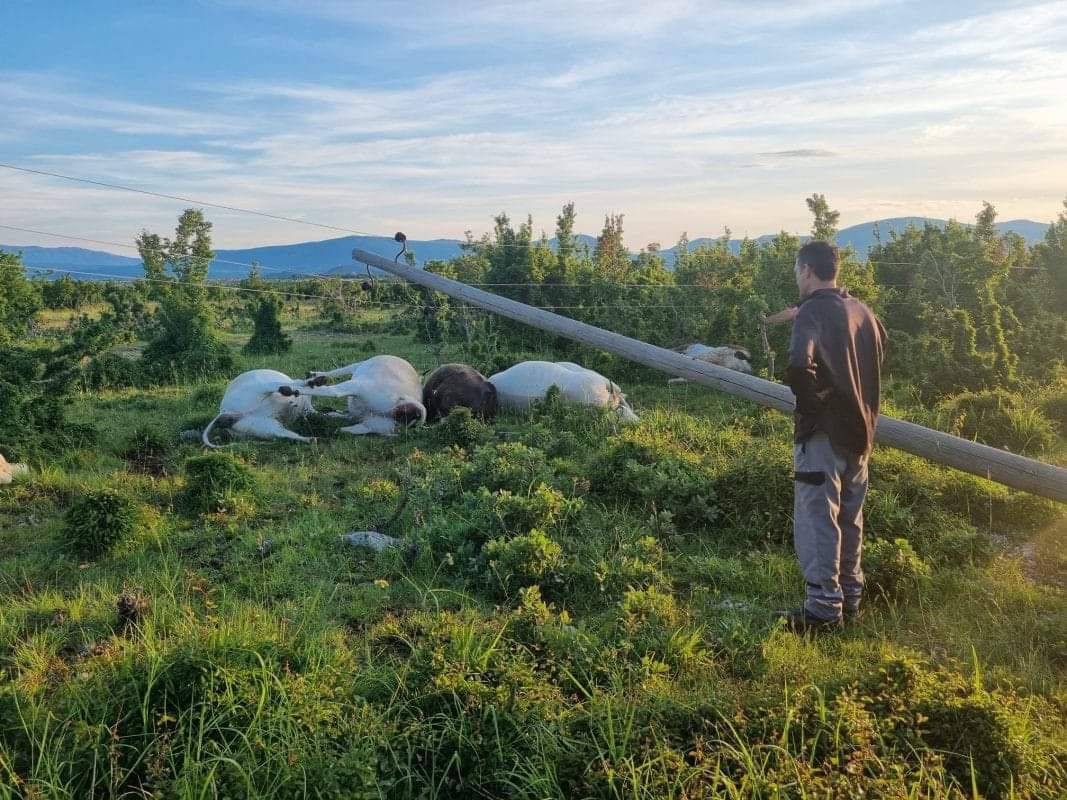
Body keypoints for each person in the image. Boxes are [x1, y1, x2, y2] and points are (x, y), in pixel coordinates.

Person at [765, 241, 886, 633]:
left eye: (795, 272)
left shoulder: (812, 312)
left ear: (806, 271)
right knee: (851, 518)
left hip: (823, 433)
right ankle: (850, 600)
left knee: (819, 517)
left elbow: (799, 365)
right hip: (862, 433)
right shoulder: (863, 313)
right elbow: (877, 362)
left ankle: (821, 610)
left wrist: (814, 406)